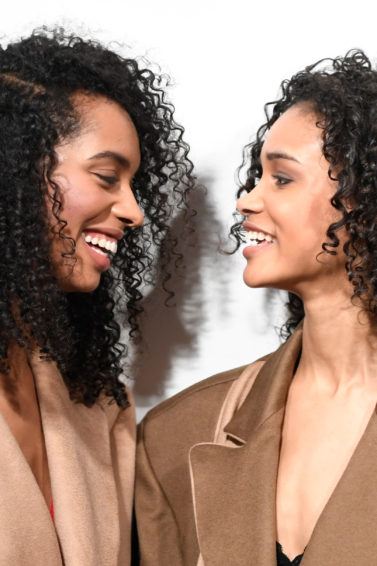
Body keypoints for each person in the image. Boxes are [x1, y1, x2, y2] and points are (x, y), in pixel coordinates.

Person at [135, 50, 377, 566]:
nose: (245, 200)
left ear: (366, 199)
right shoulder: (176, 436)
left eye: (282, 179)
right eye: (257, 176)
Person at [0, 27, 195, 565]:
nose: (134, 211)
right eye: (107, 176)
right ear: (15, 170)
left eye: (134, 184)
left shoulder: (101, 406)